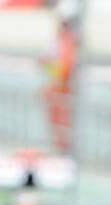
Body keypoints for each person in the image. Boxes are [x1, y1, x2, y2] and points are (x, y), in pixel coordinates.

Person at [43, 16, 78, 155]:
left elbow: (64, 67)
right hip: (57, 88)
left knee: (62, 123)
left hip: (61, 89)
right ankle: (60, 150)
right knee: (58, 123)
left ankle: (63, 151)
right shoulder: (64, 41)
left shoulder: (67, 42)